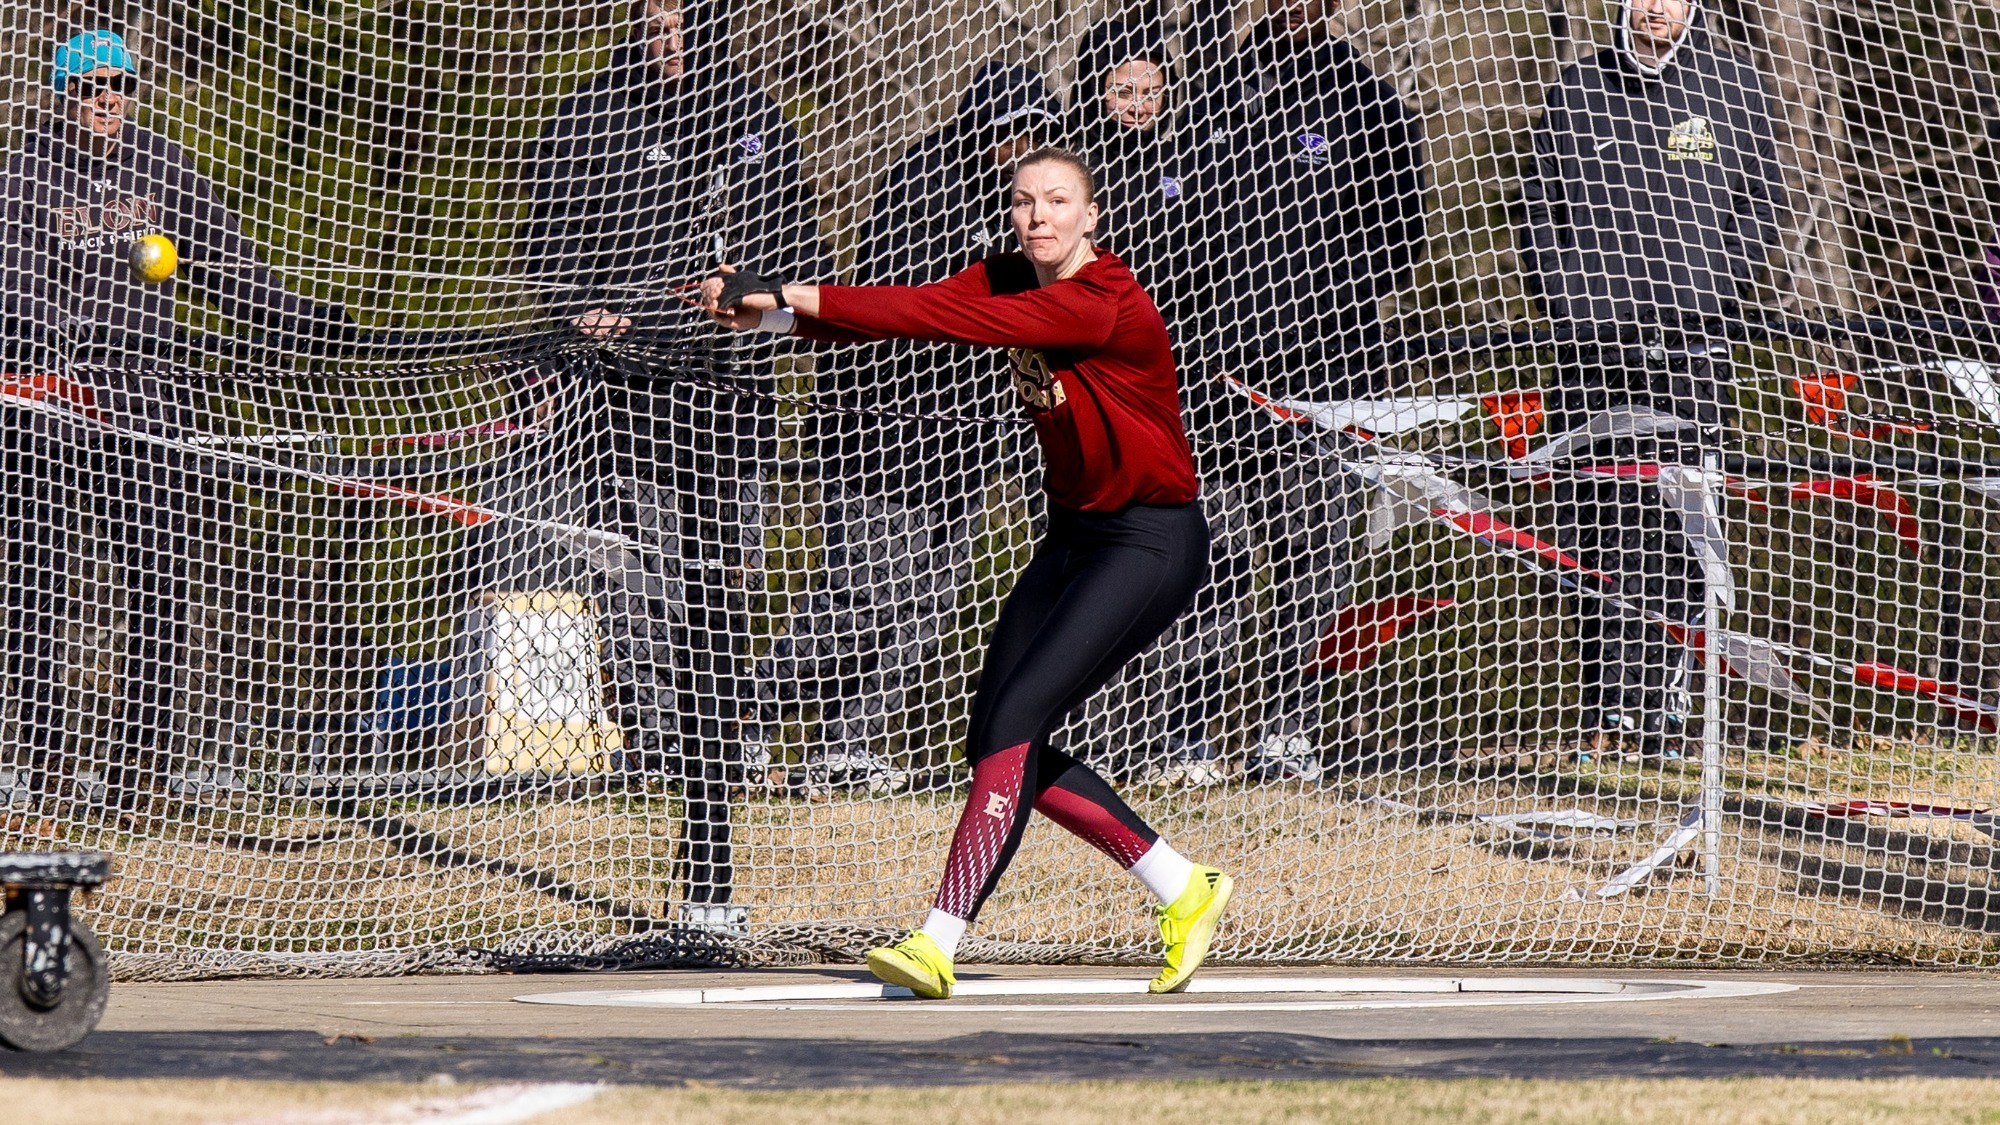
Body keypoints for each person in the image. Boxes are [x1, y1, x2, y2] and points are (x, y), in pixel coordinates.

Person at [702, 148, 1232, 998]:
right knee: (996, 738)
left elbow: (936, 320)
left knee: (1019, 719)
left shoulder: (1100, 301)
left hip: (1151, 542)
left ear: (1091, 216)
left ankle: (936, 937)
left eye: (1058, 201)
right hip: (1075, 537)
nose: (1040, 217)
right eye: (1024, 202)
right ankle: (1183, 885)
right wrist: (770, 314)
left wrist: (790, 287)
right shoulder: (1006, 273)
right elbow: (911, 309)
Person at [512, 0, 833, 926]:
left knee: (725, 583)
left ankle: (721, 742)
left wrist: (762, 305)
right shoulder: (587, 114)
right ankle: (661, 740)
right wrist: (581, 313)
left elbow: (799, 256)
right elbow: (545, 249)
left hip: (731, 399)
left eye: (684, 18)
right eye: (654, 16)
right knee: (642, 574)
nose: (669, 32)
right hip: (631, 402)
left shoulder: (754, 116)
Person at [0, 30, 334, 825]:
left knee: (160, 588)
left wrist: (303, 321)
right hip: (53, 405)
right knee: (36, 594)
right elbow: (12, 285)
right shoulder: (25, 171)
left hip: (150, 407)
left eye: (121, 84)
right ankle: (43, 772)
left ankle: (138, 774)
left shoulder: (162, 163)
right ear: (62, 93)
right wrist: (83, 334)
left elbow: (228, 266)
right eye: (91, 88)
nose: (108, 99)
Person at [754, 62, 1062, 793]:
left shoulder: (1029, 211)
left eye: (1035, 138)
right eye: (1011, 135)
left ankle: (846, 744)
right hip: (885, 429)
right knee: (862, 598)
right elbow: (909, 305)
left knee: (927, 604)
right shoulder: (922, 181)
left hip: (967, 436)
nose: (1021, 149)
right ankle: (742, 719)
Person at [1160, 0, 1427, 779]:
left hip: (1325, 381)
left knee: (1313, 559)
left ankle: (1289, 729)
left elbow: (1399, 238)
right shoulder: (1209, 87)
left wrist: (1315, 310)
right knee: (1209, 561)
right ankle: (1189, 733)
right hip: (1210, 381)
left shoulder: (1368, 98)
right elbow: (1167, 228)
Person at [1520, 0, 1786, 752]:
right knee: (1596, 530)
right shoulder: (1575, 92)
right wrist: (1575, 304)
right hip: (1591, 357)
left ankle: (1669, 705)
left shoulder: (1734, 88)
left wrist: (1703, 303)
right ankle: (1609, 709)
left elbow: (1762, 212)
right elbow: (1539, 213)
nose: (1655, 6)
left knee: (1681, 530)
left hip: (1690, 355)